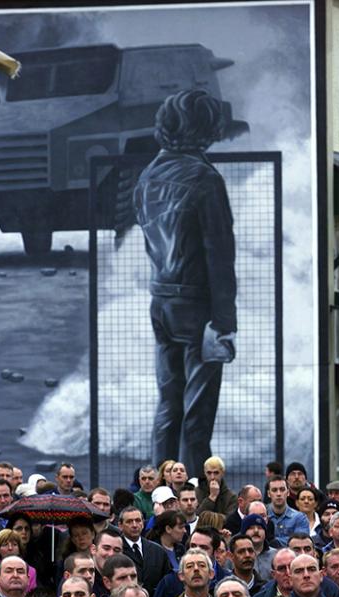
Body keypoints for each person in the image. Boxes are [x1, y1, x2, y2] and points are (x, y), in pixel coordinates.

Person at [133, 89, 237, 475]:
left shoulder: (146, 177)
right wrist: (224, 323)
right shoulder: (206, 179)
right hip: (198, 306)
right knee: (197, 416)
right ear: (206, 129)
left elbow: (150, 245)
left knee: (168, 405)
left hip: (161, 301)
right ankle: (192, 497)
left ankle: (160, 493)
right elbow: (220, 257)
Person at [119, 507, 171, 595]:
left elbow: (166, 581)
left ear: (143, 523)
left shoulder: (157, 551)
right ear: (120, 526)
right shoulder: (117, 550)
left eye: (138, 520)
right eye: (129, 521)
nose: (135, 525)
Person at [266, 476, 309, 546]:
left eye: (282, 489)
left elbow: (301, 543)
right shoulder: (262, 515)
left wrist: (272, 541)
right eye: (274, 490)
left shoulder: (300, 518)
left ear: (288, 492)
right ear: (268, 494)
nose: (279, 494)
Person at [240, 516, 277, 582]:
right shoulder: (235, 555)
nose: (256, 531)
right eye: (251, 528)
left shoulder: (276, 555)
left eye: (260, 528)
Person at [92, 530, 123, 597]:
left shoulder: (125, 579)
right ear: (93, 549)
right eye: (106, 548)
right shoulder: (82, 578)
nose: (111, 554)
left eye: (117, 550)